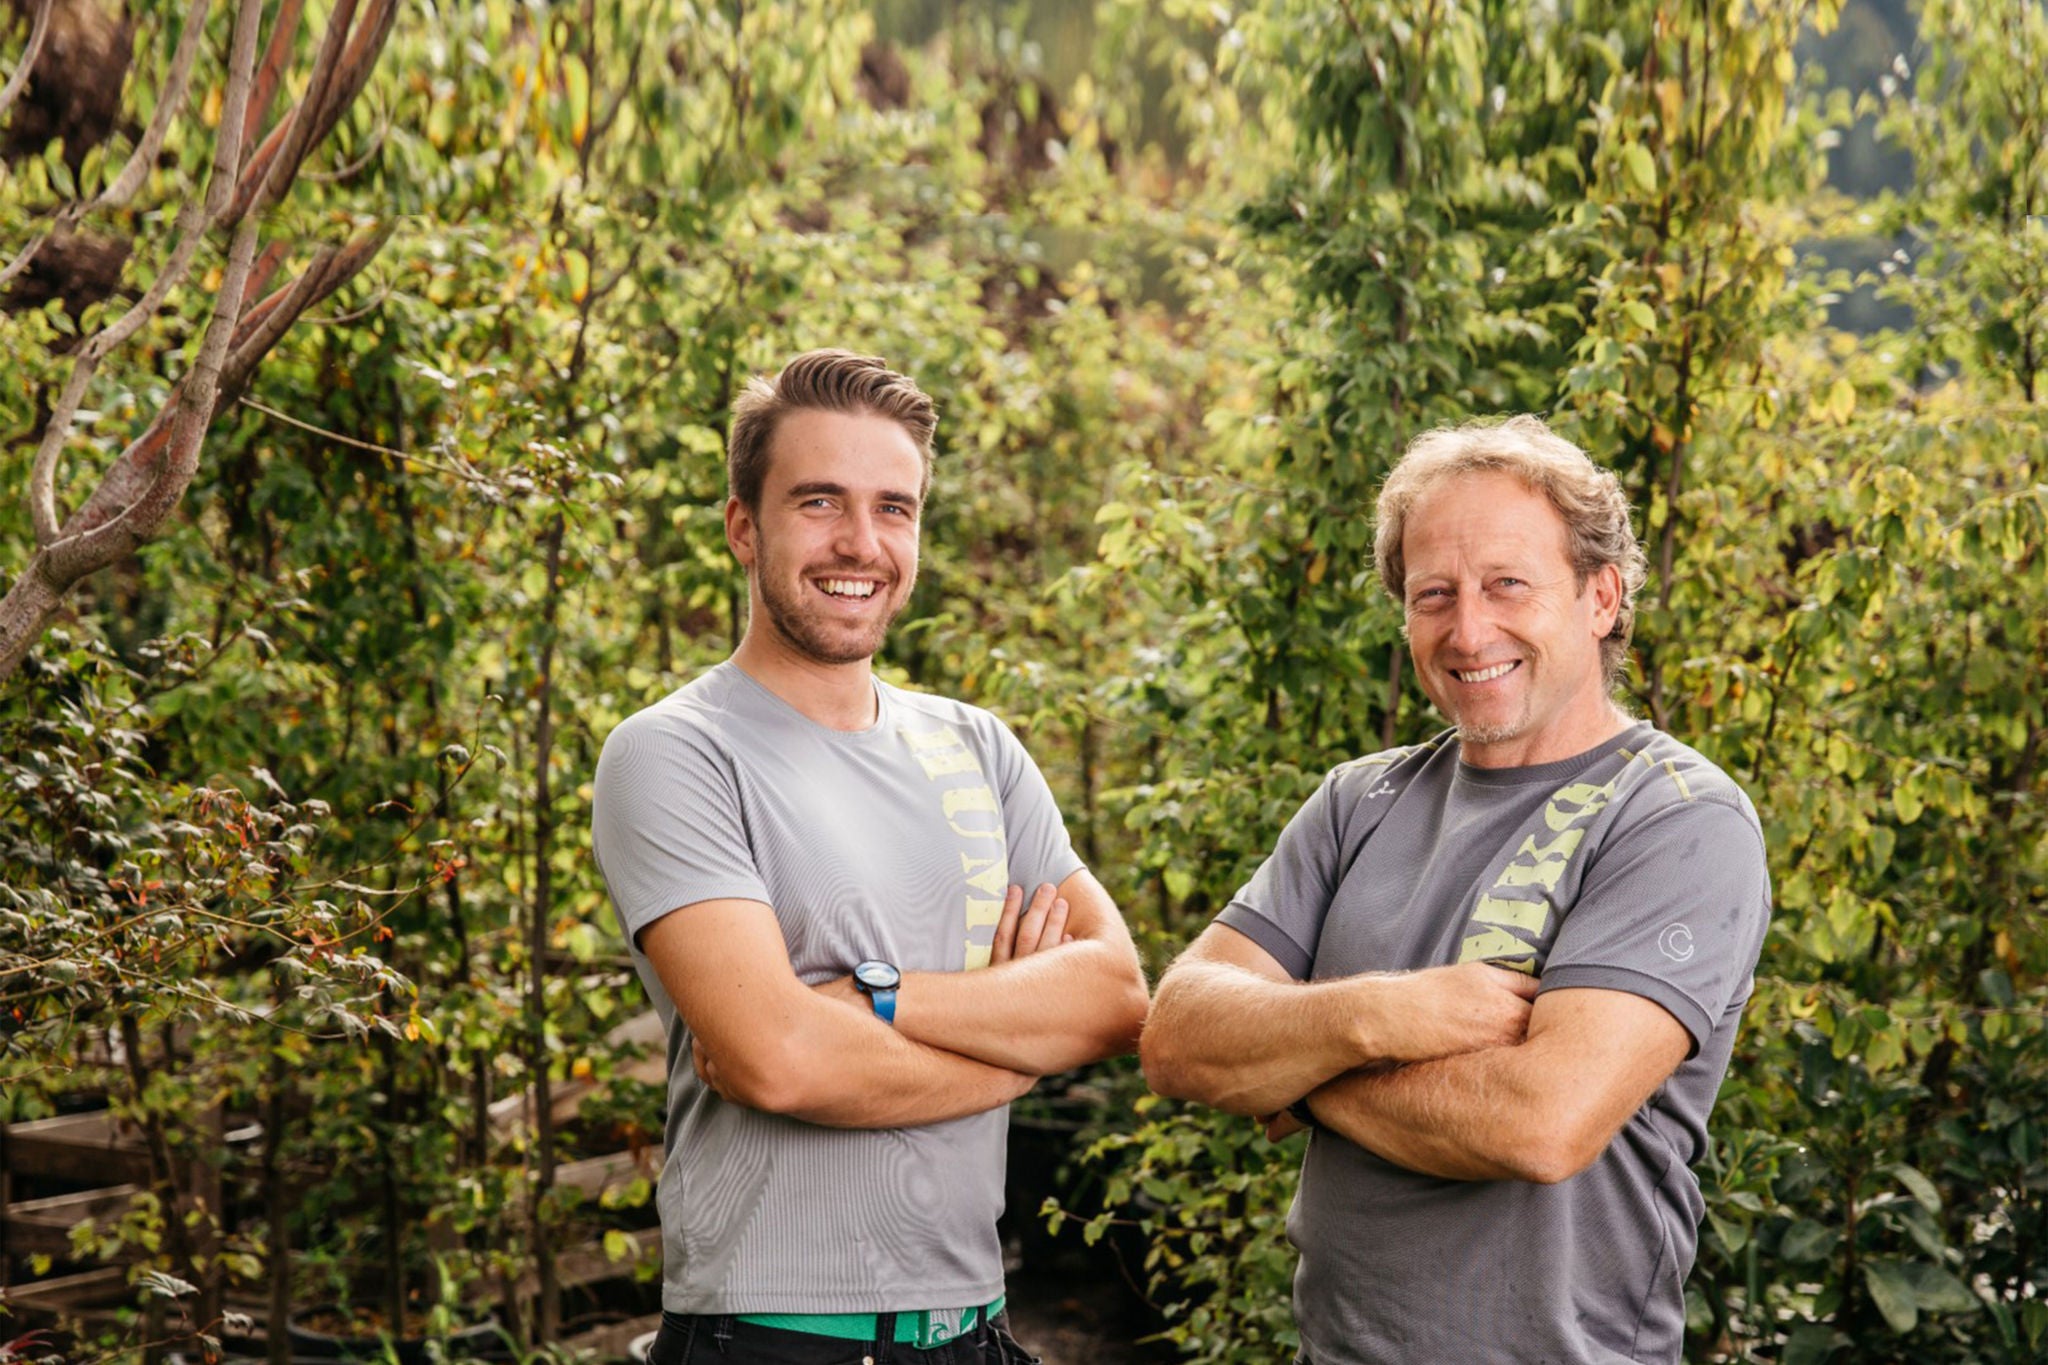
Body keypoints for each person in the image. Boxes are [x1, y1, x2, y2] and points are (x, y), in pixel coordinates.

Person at [1141, 415, 1771, 1365]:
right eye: (1433, 594)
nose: (1468, 630)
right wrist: (1380, 1015)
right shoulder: (1360, 799)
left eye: (1507, 584)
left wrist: (1302, 1077)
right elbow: (1178, 1036)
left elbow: (1539, 1123)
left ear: (1601, 597)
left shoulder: (1678, 816)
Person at [592, 349, 1149, 1365]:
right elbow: (777, 1058)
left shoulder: (978, 748)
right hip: (770, 1337)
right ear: (742, 527)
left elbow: (1113, 997)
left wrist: (873, 999)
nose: (861, 542)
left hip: (978, 1328)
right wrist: (1017, 1052)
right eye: (819, 502)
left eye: (894, 507)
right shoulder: (673, 753)